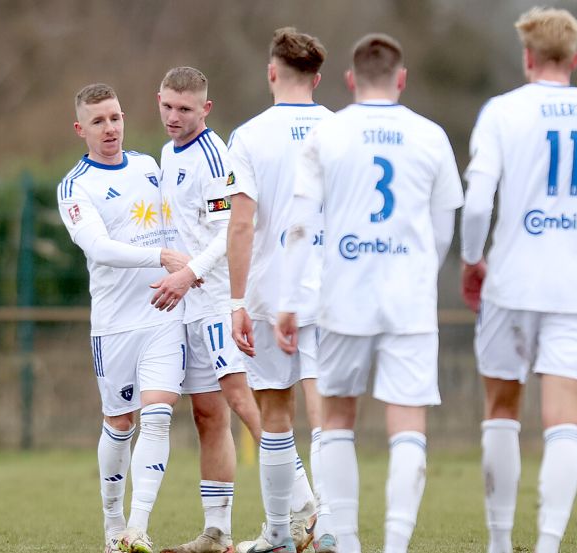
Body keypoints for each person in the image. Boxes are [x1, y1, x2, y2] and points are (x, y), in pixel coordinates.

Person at [459, 8, 577, 553]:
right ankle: (546, 545)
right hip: (576, 288)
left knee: (501, 411)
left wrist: (473, 259)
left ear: (527, 57)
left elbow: (477, 204)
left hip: (511, 283)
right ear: (576, 59)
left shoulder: (501, 111)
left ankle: (499, 543)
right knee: (564, 422)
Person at [276, 33, 463, 553]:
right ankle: (397, 546)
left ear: (351, 80)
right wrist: (421, 271)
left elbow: (299, 225)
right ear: (401, 79)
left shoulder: (328, 134)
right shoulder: (430, 135)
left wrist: (290, 300)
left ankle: (351, 543)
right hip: (408, 299)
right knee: (408, 425)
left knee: (336, 421)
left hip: (343, 300)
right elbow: (443, 225)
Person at [57, 83, 189, 553]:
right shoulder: (75, 187)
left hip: (163, 313)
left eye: (115, 117)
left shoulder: (149, 166)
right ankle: (112, 523)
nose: (110, 128)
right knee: (120, 422)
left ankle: (137, 527)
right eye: (98, 121)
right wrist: (161, 258)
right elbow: (99, 249)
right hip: (114, 324)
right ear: (81, 129)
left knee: (157, 417)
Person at [224, 28, 333, 553]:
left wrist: (236, 301)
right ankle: (329, 525)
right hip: (334, 291)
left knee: (275, 415)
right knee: (328, 413)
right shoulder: (342, 130)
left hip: (270, 292)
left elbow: (240, 225)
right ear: (318, 77)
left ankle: (279, 535)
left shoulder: (247, 136)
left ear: (272, 72)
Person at [147, 67, 262, 553]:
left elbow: (228, 231)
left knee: (243, 401)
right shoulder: (166, 153)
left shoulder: (216, 156)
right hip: (189, 302)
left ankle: (309, 510)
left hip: (216, 296)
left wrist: (190, 273)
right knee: (207, 415)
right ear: (158, 100)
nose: (174, 117)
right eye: (168, 106)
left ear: (205, 109)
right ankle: (217, 532)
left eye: (185, 109)